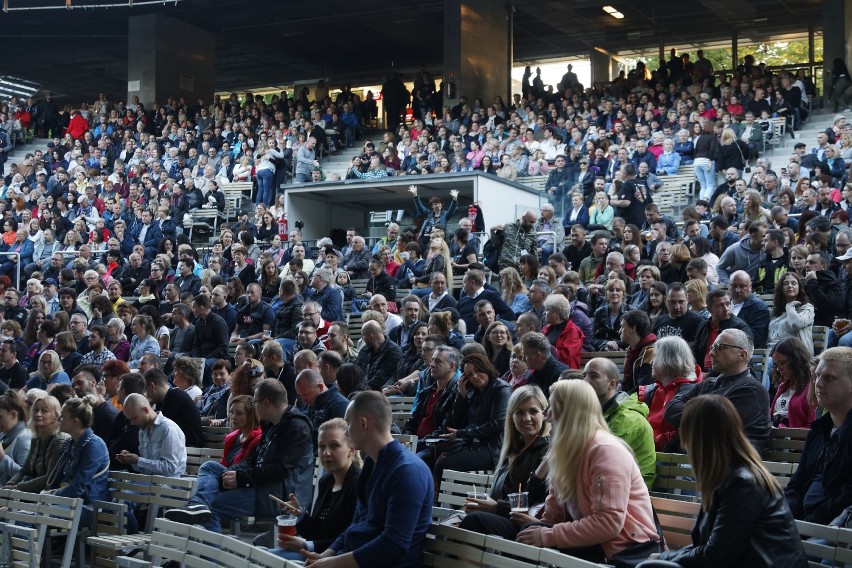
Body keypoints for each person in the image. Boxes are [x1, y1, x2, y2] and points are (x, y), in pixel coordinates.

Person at [639, 395, 808, 568]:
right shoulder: (727, 477)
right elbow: (711, 547)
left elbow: (716, 556)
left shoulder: (743, 485)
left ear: (698, 438)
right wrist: (666, 557)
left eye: (684, 430)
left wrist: (664, 559)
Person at [516, 380, 660, 563]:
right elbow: (553, 517)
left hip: (621, 549)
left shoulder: (606, 451)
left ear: (569, 411)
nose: (545, 414)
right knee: (494, 526)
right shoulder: (565, 450)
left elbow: (608, 523)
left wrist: (547, 536)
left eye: (551, 406)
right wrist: (538, 529)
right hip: (587, 542)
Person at [302, 391, 433, 568]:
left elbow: (394, 545)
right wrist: (326, 555)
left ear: (363, 423)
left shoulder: (408, 471)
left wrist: (334, 563)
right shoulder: (372, 464)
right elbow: (357, 524)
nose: (346, 432)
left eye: (348, 424)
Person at [165, 379, 313, 533]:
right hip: (260, 485)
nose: (254, 406)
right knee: (210, 467)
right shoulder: (270, 424)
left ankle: (211, 555)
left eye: (255, 402)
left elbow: (280, 470)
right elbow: (253, 459)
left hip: (277, 495)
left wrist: (241, 477)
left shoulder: (297, 427)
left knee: (213, 508)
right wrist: (234, 473)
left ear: (266, 403)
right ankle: (198, 504)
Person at [460, 385, 550, 539]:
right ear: (511, 416)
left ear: (544, 414)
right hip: (502, 518)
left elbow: (535, 502)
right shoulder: (512, 450)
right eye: (519, 412)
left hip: (523, 526)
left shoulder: (546, 453)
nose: (526, 418)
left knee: (474, 521)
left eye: (533, 411)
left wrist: (496, 508)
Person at [666, 329, 771, 454]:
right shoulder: (708, 383)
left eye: (720, 347)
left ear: (742, 355)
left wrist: (691, 416)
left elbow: (715, 425)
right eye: (712, 347)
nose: (711, 353)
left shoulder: (752, 391)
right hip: (699, 460)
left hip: (732, 466)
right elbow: (671, 409)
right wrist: (703, 415)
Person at [272, 418, 362, 561]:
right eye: (321, 446)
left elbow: (351, 538)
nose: (326, 453)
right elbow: (315, 533)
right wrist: (300, 515)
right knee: (259, 554)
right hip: (317, 555)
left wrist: (307, 545)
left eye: (334, 446)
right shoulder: (326, 481)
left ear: (351, 450)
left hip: (337, 559)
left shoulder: (359, 483)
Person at [785, 347, 852, 525]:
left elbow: (847, 496)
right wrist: (790, 518)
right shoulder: (819, 429)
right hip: (801, 524)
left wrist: (809, 523)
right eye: (817, 376)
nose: (818, 384)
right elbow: (797, 483)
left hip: (832, 533)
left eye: (829, 378)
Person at [432, 353, 510, 483]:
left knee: (444, 464)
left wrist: (461, 433)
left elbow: (496, 424)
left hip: (492, 447)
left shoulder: (501, 389)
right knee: (431, 454)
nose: (474, 376)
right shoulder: (472, 391)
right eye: (469, 374)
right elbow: (456, 422)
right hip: (471, 443)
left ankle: (453, 502)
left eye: (478, 370)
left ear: (486, 368)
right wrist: (461, 396)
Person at [583, 357, 656, 489]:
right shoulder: (599, 413)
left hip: (630, 495)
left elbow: (605, 463)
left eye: (593, 376)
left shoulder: (626, 419)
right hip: (605, 486)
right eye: (584, 376)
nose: (585, 382)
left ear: (611, 384)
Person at [46, 396, 110, 526]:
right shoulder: (70, 443)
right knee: (24, 513)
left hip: (87, 506)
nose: (59, 420)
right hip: (68, 502)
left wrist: (50, 497)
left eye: (62, 416)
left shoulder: (94, 445)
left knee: (37, 514)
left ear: (75, 421)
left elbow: (78, 488)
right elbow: (56, 479)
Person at [637, 336, 701, 452]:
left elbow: (680, 437)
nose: (651, 362)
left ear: (668, 360)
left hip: (667, 460)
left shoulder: (690, 392)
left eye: (655, 357)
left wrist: (645, 442)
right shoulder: (656, 388)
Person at [115, 393, 186, 477]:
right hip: (149, 483)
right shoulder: (142, 431)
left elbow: (170, 468)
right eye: (129, 419)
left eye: (134, 418)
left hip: (169, 485)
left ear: (145, 410)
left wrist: (138, 460)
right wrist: (131, 461)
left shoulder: (168, 428)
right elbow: (147, 469)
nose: (132, 423)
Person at [769, 338, 816, 429]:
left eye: (782, 363)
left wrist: (786, 430)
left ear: (796, 359)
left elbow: (812, 427)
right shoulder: (783, 385)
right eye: (776, 365)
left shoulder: (812, 386)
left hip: (793, 440)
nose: (778, 369)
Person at [219, 395, 262, 467]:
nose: (233, 417)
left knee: (208, 466)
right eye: (231, 412)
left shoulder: (259, 439)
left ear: (250, 416)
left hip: (240, 475)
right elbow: (223, 463)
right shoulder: (231, 437)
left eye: (239, 413)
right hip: (226, 474)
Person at [0, 390, 32, 485]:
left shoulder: (25, 437)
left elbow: (26, 476)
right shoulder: (3, 435)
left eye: (0, 417)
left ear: (13, 415)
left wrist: (2, 457)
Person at [621, 310, 656, 392]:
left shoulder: (650, 352)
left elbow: (644, 389)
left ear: (633, 328)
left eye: (622, 327)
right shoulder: (631, 351)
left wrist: (621, 399)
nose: (619, 331)